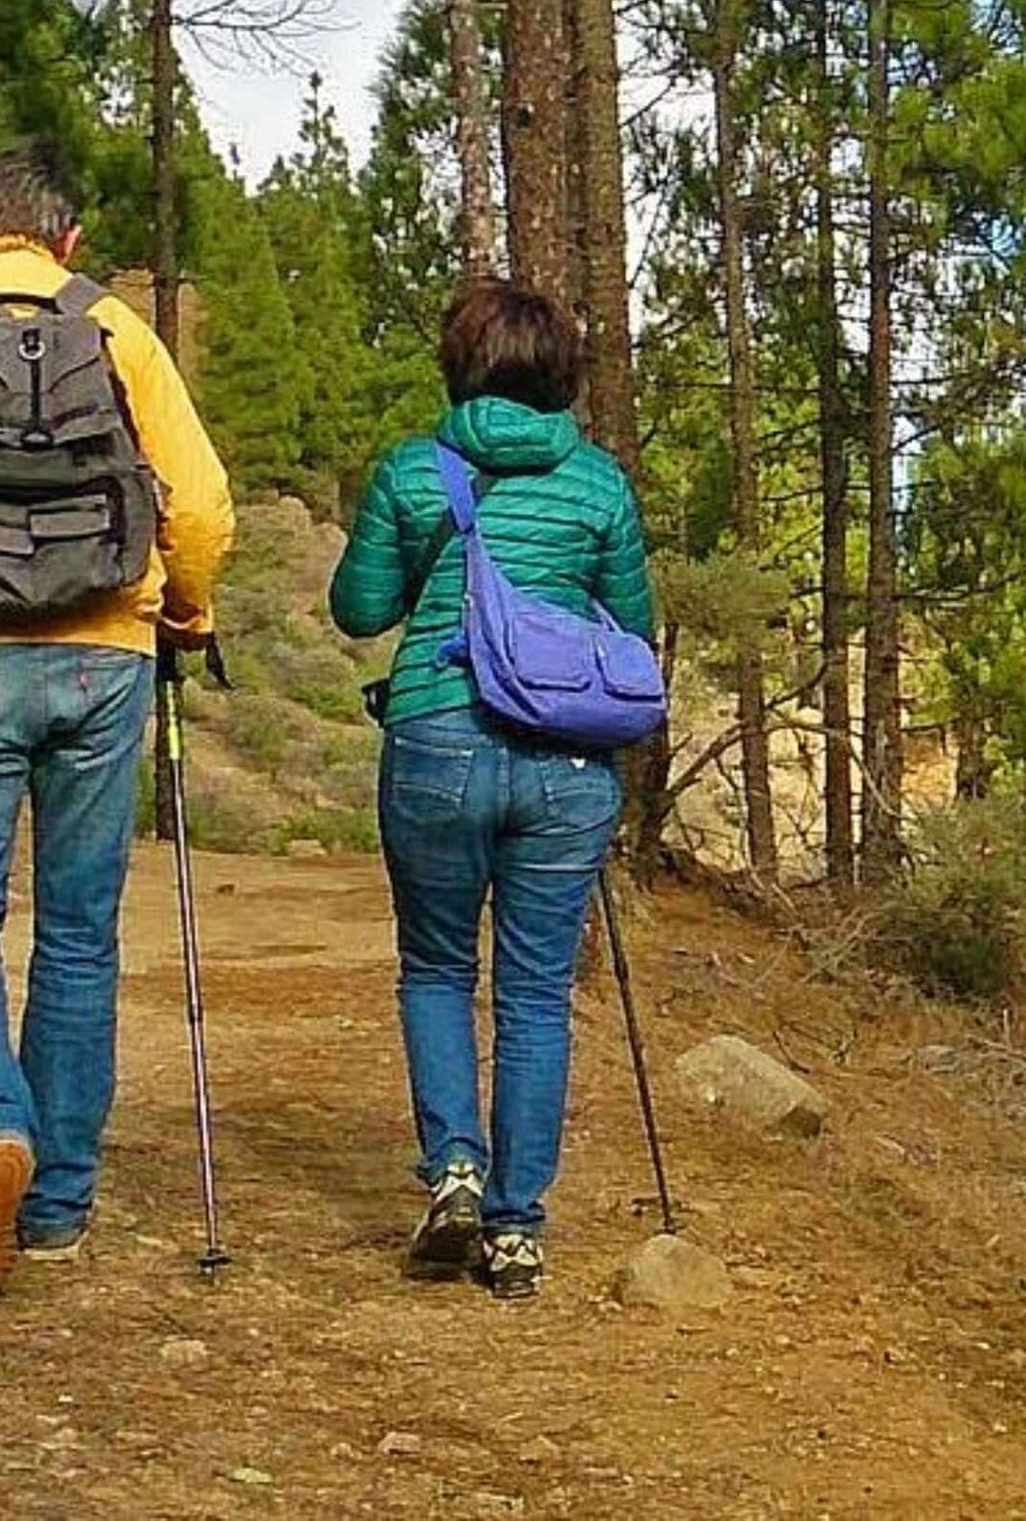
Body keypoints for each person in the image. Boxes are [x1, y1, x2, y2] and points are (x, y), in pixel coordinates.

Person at [0, 146, 234, 1296]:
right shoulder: (118, 328)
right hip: (106, 654)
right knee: (77, 927)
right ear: (66, 240)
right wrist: (189, 611)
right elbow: (199, 504)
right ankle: (54, 1201)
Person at [329, 279, 653, 1302]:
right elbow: (632, 621)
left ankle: (454, 1173)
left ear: (458, 365)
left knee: (434, 968)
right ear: (560, 372)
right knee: (533, 993)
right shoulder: (598, 483)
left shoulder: (416, 470)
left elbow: (358, 607)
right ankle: (517, 1227)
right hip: (563, 761)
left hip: (436, 732)